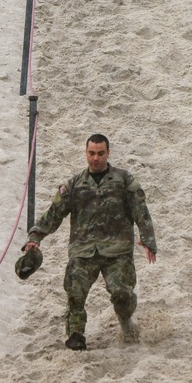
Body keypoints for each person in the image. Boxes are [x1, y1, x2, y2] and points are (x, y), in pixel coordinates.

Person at [17, 135, 157, 350]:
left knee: (122, 294)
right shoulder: (75, 184)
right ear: (86, 153)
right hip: (83, 250)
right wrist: (35, 237)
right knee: (75, 291)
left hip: (117, 250)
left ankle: (126, 320)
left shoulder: (124, 180)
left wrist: (148, 240)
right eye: (91, 153)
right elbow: (54, 214)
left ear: (108, 153)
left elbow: (141, 211)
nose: (96, 158)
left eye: (100, 153)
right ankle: (76, 333)